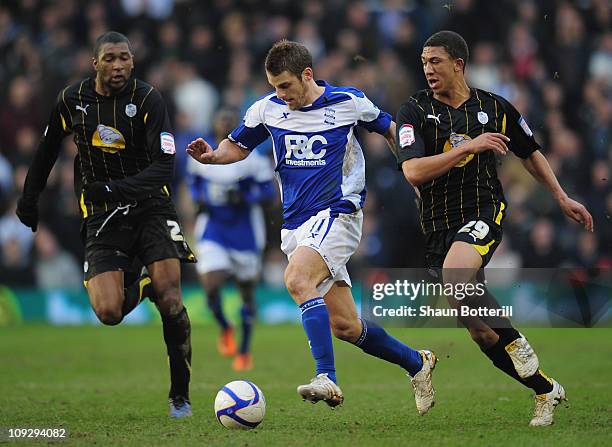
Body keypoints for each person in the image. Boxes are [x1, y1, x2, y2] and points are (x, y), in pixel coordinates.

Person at [188, 40, 437, 415]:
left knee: (296, 280)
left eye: (285, 85)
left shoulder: (347, 102)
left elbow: (390, 128)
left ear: (307, 75)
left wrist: (413, 173)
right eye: (274, 86)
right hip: (296, 227)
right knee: (346, 327)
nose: (280, 94)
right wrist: (212, 157)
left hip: (339, 213)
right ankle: (417, 363)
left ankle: (327, 376)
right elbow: (237, 146)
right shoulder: (266, 110)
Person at [395, 30, 594, 426]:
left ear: (458, 64)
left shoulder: (495, 107)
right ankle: (545, 390)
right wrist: (467, 147)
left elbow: (530, 152)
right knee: (482, 334)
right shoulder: (414, 110)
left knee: (456, 277)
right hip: (437, 226)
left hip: (483, 211)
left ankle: (517, 341)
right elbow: (413, 171)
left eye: (435, 61)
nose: (427, 69)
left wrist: (560, 197)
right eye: (423, 62)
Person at [16, 31, 196, 418]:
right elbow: (46, 152)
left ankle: (180, 395)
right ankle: (142, 284)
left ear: (133, 61)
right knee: (109, 312)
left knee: (172, 299)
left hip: (151, 207)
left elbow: (164, 166)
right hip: (102, 216)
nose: (119, 66)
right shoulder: (72, 101)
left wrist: (114, 187)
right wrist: (29, 201)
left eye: (125, 58)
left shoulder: (148, 99)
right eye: (111, 58)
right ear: (94, 62)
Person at [188, 108, 275, 371]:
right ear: (214, 125)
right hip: (214, 228)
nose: (224, 123)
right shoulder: (201, 156)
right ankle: (225, 327)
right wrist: (199, 200)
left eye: (229, 120)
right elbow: (194, 185)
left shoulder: (253, 160)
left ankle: (245, 350)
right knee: (211, 285)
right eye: (220, 118)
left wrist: (245, 198)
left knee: (246, 293)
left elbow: (268, 194)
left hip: (245, 232)